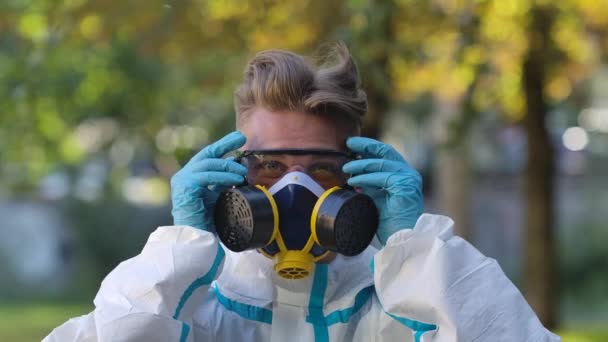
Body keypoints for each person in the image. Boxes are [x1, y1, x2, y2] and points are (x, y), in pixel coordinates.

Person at [45, 43, 560, 341]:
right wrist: (178, 253)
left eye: (322, 168)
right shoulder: (191, 306)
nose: (296, 189)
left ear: (358, 177)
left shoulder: (407, 307)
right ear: (234, 174)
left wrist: (414, 249)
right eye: (268, 165)